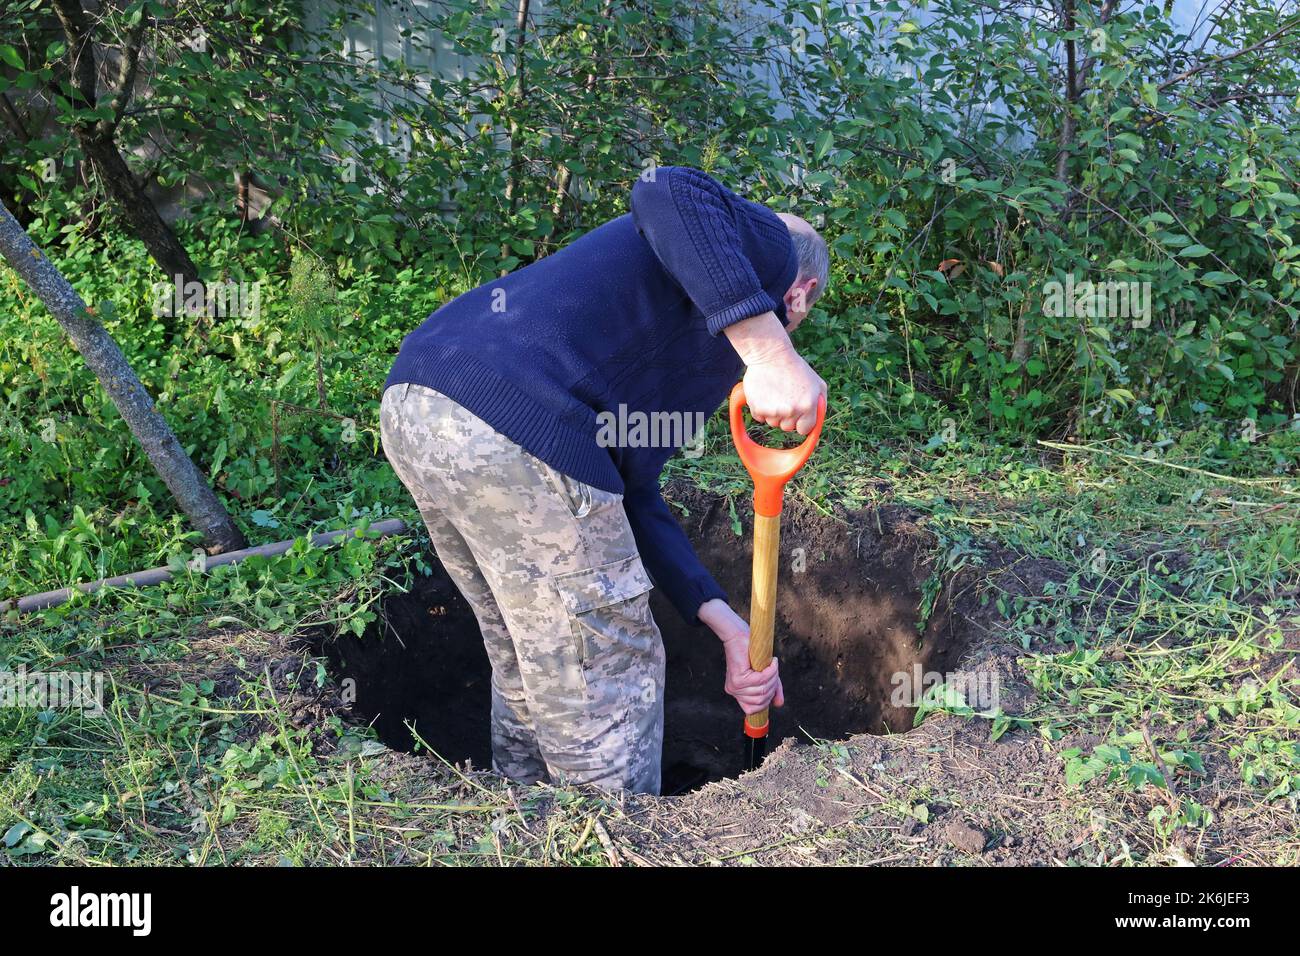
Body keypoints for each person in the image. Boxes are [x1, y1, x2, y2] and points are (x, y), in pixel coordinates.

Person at [380, 165, 828, 793]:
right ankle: (611, 837)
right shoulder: (771, 252)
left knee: (532, 652)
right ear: (801, 294)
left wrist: (727, 625)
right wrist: (772, 351)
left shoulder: (680, 341)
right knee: (605, 665)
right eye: (796, 318)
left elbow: (631, 493)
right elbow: (661, 187)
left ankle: (529, 822)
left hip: (420, 405)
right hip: (517, 421)